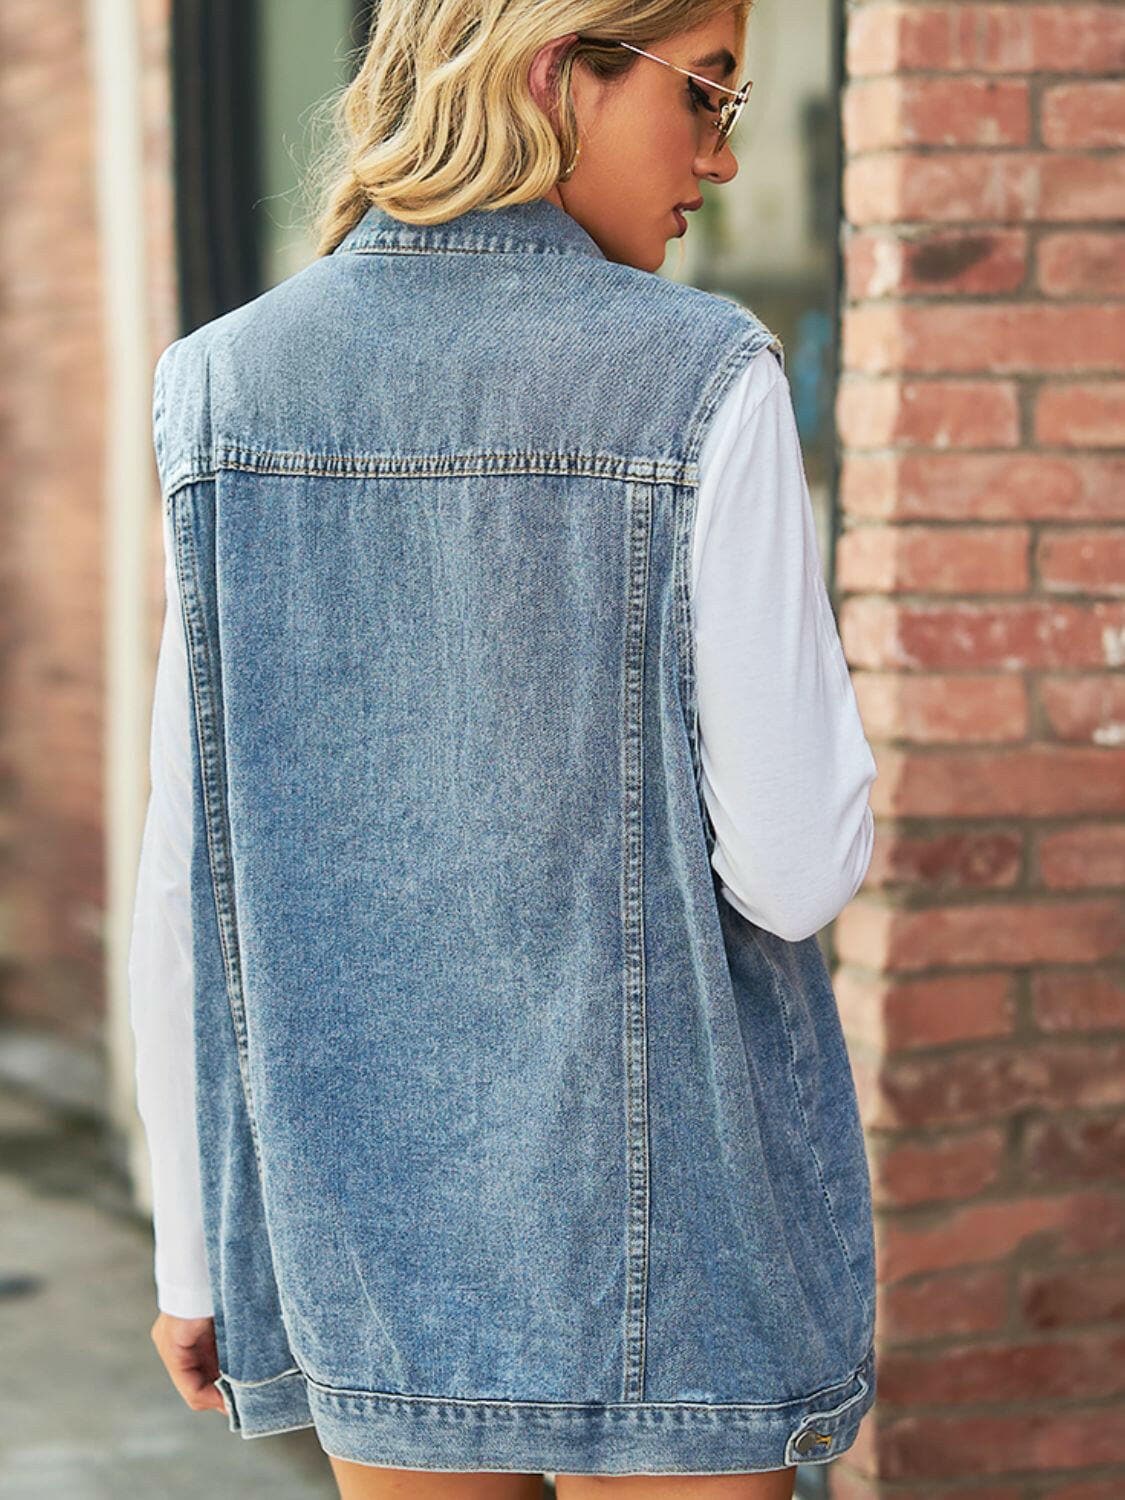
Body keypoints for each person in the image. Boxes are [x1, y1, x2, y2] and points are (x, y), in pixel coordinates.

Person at [128, 3, 880, 1497]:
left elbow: (184, 875)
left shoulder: (219, 384)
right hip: (669, 1248)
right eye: (706, 95)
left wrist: (195, 1251)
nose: (719, 160)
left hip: (360, 1234)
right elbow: (796, 870)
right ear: (557, 75)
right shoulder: (702, 376)